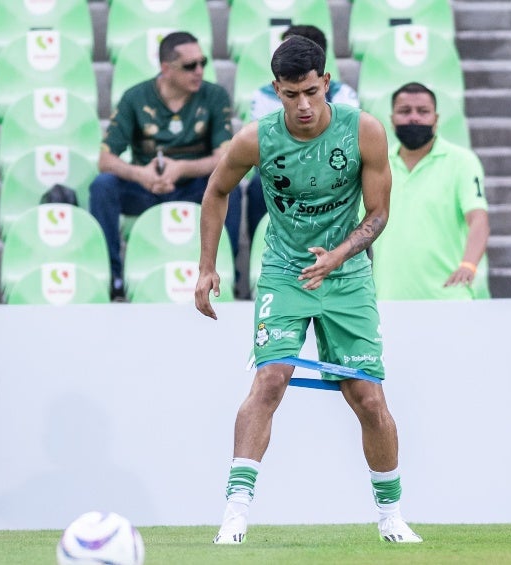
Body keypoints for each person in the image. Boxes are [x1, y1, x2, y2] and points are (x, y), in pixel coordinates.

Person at [194, 35, 423, 545]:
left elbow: (379, 213)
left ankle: (391, 516)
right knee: (270, 381)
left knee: (366, 395)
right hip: (285, 272)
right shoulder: (256, 139)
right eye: (291, 95)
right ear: (276, 89)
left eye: (311, 93)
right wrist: (207, 266)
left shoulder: (363, 130)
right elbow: (216, 192)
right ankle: (235, 514)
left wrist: (340, 254)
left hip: (346, 275)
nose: (302, 105)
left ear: (326, 83)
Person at [90, 31, 241, 300]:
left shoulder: (214, 95)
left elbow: (225, 157)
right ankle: (113, 277)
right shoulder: (135, 98)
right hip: (147, 188)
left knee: (232, 186)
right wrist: (141, 174)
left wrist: (182, 168)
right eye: (189, 65)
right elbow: (105, 159)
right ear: (165, 68)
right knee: (103, 186)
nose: (199, 71)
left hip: (195, 188)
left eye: (202, 62)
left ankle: (224, 272)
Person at [370, 82, 490, 300]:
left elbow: (479, 219)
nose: (413, 118)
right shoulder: (378, 164)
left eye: (423, 111)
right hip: (387, 299)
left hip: (450, 299)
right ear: (391, 119)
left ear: (436, 119)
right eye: (405, 111)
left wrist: (469, 265)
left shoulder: (462, 162)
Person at [246, 24, 360, 246]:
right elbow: (263, 150)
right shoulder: (262, 95)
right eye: (291, 94)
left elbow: (349, 144)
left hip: (334, 170)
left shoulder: (345, 95)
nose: (303, 105)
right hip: (282, 170)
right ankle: (259, 248)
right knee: (257, 184)